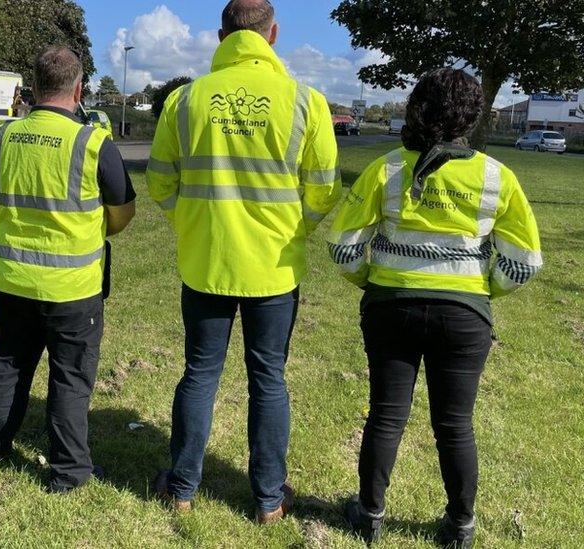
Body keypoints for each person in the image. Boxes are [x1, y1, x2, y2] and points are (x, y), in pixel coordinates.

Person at [329, 68, 542, 548]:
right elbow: (526, 262)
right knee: (455, 424)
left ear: (418, 107)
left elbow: (343, 249)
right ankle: (461, 525)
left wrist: (373, 281)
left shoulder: (385, 169)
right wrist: (482, 289)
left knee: (386, 414)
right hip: (464, 317)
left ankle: (369, 514)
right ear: (473, 114)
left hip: (391, 308)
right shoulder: (496, 176)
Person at [147, 0, 341, 522]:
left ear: (220, 35)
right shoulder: (305, 101)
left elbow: (161, 181)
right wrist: (293, 229)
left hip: (205, 262)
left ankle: (182, 487)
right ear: (272, 34)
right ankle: (269, 500)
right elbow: (323, 193)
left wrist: (190, 222)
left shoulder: (185, 101)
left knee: (200, 374)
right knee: (269, 378)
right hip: (275, 270)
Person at [0, 46, 136, 493]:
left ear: (35, 86)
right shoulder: (92, 142)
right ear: (79, 88)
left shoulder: (3, 138)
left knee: (8, 364)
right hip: (73, 286)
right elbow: (123, 210)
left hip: (14, 281)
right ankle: (68, 471)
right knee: (70, 378)